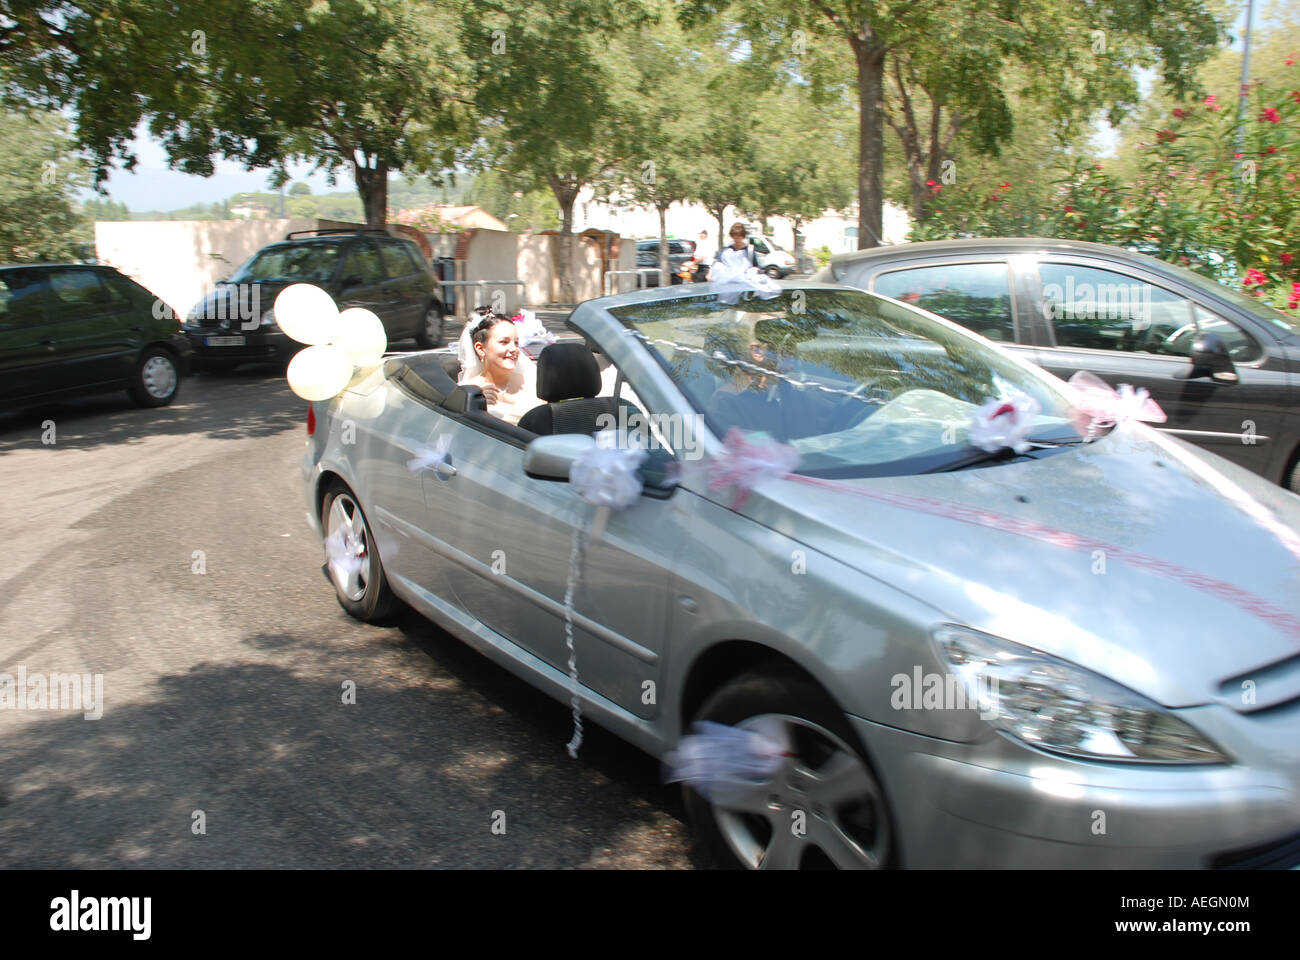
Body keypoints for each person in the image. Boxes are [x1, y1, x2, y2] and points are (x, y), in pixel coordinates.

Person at [459, 313, 545, 426]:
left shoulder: (533, 381)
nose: (514, 349)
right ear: (480, 349)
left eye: (516, 342)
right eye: (504, 342)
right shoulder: (465, 392)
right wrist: (475, 404)